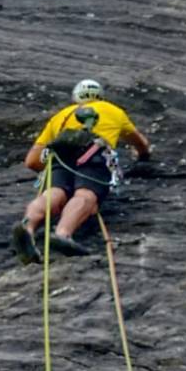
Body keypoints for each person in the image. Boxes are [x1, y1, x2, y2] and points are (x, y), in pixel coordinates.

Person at [12, 79, 151, 263]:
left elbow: (31, 160)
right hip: (94, 153)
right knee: (86, 195)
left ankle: (27, 227)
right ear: (100, 96)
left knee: (53, 193)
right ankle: (63, 234)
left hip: (59, 156)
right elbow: (140, 143)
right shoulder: (113, 111)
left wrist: (56, 171)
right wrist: (143, 155)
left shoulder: (61, 115)